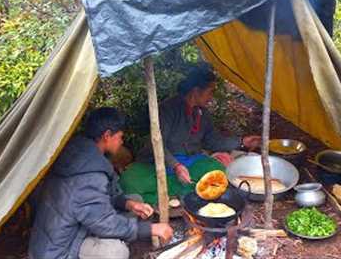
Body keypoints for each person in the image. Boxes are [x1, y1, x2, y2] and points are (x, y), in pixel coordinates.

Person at [29, 107, 173, 259]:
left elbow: (102, 196)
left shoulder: (79, 151)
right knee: (116, 252)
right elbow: (104, 222)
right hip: (58, 250)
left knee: (135, 200)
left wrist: (129, 204)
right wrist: (151, 229)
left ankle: (120, 236)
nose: (121, 142)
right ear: (107, 136)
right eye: (120, 137)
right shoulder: (88, 175)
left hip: (68, 228)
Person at [120, 67, 260, 203]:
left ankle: (175, 194)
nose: (211, 97)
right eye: (210, 92)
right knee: (129, 181)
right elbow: (156, 143)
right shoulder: (168, 109)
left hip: (189, 162)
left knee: (219, 171)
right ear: (196, 91)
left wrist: (242, 141)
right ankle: (182, 194)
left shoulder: (203, 114)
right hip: (157, 164)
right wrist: (176, 166)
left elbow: (213, 141)